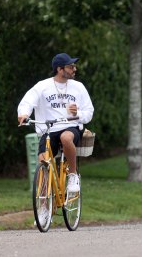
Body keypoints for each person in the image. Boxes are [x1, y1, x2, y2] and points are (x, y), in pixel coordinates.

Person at [18, 53, 94, 193]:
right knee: (43, 162)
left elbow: (89, 112)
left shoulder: (79, 87)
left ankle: (72, 175)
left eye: (74, 66)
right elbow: (28, 101)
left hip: (71, 127)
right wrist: (24, 114)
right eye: (70, 67)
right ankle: (44, 207)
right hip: (49, 130)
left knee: (65, 137)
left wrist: (78, 113)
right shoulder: (43, 86)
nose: (74, 69)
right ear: (60, 69)